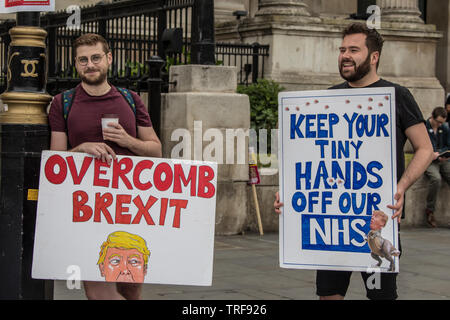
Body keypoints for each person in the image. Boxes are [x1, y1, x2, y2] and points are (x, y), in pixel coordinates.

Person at [274, 22, 433, 300]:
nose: (345, 55)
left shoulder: (396, 96)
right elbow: (310, 156)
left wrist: (401, 186)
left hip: (376, 222)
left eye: (353, 50)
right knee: (329, 294)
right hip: (332, 224)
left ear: (374, 57)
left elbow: (425, 148)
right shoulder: (328, 98)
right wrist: (288, 190)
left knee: (381, 296)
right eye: (342, 49)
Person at [48, 33, 162, 300]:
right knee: (98, 293)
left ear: (108, 59)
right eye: (83, 60)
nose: (90, 65)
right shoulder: (62, 103)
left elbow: (155, 150)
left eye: (96, 58)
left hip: (128, 206)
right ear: (75, 64)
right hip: (85, 209)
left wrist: (128, 140)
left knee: (130, 289)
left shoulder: (131, 99)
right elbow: (56, 159)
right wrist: (81, 148)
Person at [423, 107, 450, 227]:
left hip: (442, 159)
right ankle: (430, 210)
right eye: (438, 122)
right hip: (429, 160)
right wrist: (433, 153)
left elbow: (448, 145)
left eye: (441, 123)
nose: (439, 124)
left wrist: (442, 153)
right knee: (436, 179)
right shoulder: (424, 126)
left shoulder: (444, 128)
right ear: (432, 117)